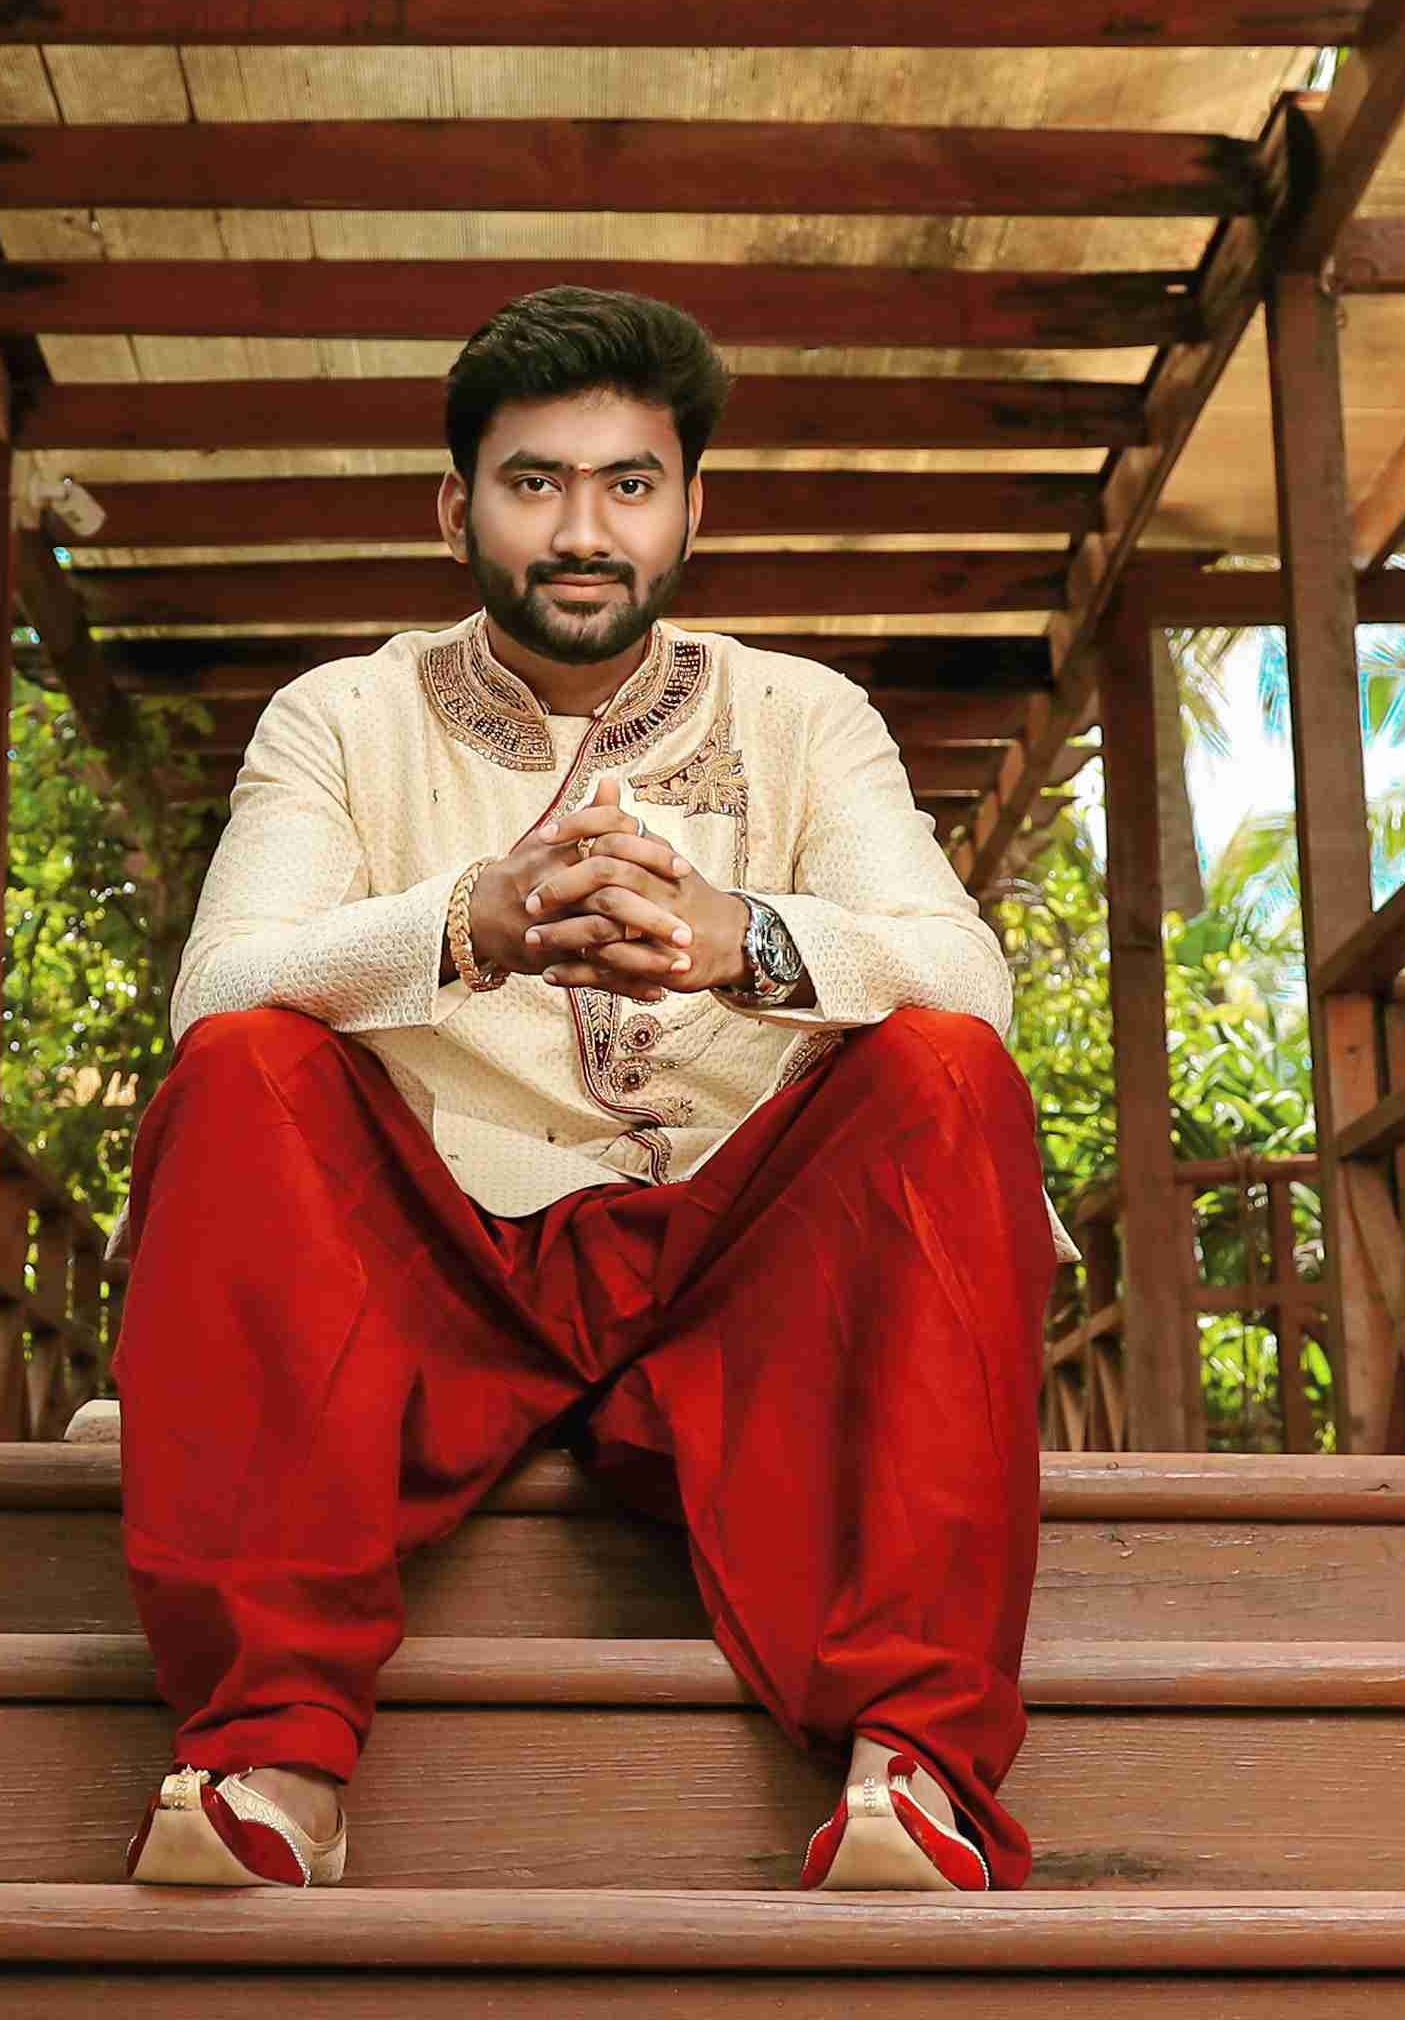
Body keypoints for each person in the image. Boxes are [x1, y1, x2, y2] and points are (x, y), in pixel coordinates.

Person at [113, 285, 1067, 1896]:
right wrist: (464, 927)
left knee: (945, 1064)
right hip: (434, 1276)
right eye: (534, 482)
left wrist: (745, 938)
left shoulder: (804, 714)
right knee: (242, 1062)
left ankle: (912, 1762)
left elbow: (969, 976)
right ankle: (273, 1757)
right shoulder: (340, 717)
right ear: (455, 508)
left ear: (694, 509)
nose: (581, 531)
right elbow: (218, 985)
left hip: (738, 1280)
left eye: (629, 484)